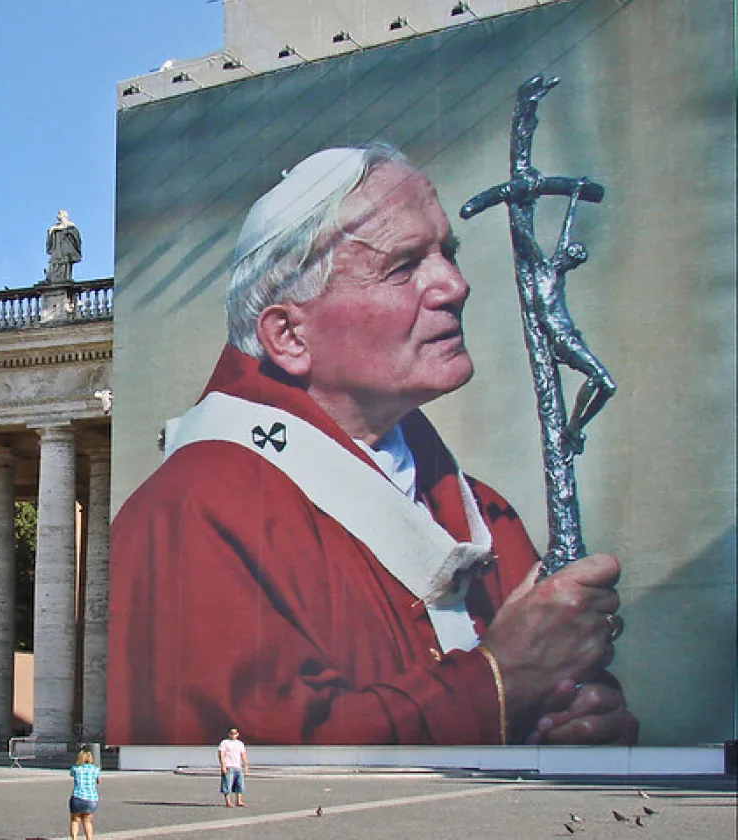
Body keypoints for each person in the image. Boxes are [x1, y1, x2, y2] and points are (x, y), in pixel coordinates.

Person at [107, 145, 637, 748]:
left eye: (448, 253)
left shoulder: (482, 513)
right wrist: (500, 680)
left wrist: (580, 720)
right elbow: (246, 760)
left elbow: (552, 695)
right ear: (288, 335)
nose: (455, 286)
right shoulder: (193, 511)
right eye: (404, 265)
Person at [67, 747, 100, 840]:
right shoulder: (95, 769)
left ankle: (74, 838)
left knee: (75, 820)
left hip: (78, 796)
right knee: (87, 821)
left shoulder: (76, 768)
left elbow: (71, 774)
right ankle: (89, 838)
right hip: (92, 798)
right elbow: (98, 781)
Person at [44, 210, 83, 285]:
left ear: (65, 215)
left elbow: (76, 238)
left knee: (65, 263)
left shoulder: (71, 226)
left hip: (65, 250)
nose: (58, 215)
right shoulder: (54, 227)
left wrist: (64, 231)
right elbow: (50, 242)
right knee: (54, 263)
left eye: (60, 213)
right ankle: (51, 278)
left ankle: (65, 278)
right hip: (56, 250)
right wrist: (51, 232)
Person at [217, 728, 248, 807]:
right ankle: (228, 802)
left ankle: (239, 801)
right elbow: (221, 754)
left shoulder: (240, 743)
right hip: (228, 766)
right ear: (229, 734)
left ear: (237, 734)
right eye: (231, 733)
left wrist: (245, 766)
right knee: (227, 784)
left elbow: (243, 755)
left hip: (238, 766)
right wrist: (223, 765)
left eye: (235, 733)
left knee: (239, 784)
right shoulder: (225, 743)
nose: (233, 735)